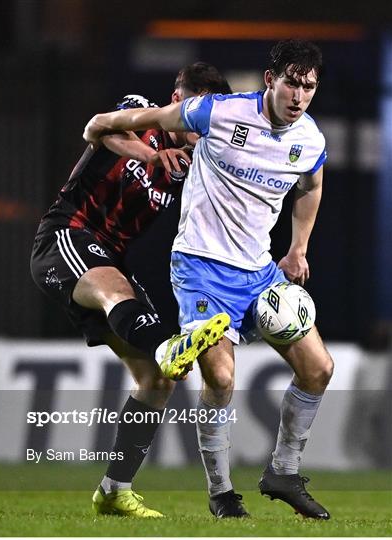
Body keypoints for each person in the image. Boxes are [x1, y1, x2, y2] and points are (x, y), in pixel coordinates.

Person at [84, 40, 334, 520]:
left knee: (319, 369)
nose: (299, 95)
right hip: (201, 266)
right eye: (291, 82)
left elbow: (312, 184)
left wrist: (298, 248)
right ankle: (222, 495)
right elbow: (151, 120)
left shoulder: (311, 139)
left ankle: (282, 472)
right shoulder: (218, 112)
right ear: (270, 80)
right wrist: (104, 126)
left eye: (309, 86)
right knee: (219, 377)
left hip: (260, 271)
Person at [30, 62, 232, 518]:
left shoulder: (192, 161)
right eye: (199, 115)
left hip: (109, 257)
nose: (203, 130)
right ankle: (169, 345)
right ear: (180, 103)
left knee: (156, 379)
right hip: (69, 235)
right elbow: (101, 132)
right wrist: (147, 153)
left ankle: (114, 490)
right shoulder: (142, 113)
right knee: (120, 298)